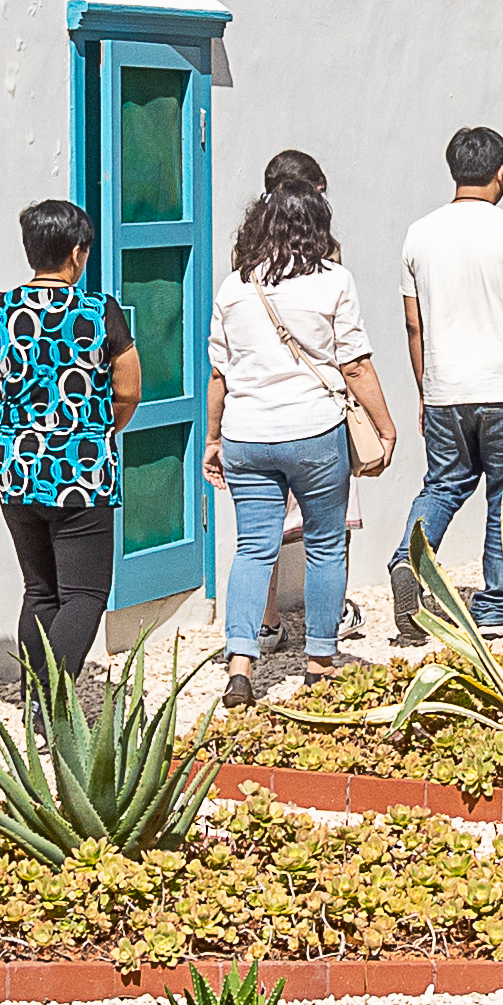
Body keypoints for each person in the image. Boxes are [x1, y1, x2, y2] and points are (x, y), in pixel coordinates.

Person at [203, 151, 393, 696]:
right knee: (326, 544)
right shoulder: (335, 281)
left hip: (247, 434)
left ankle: (241, 663)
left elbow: (220, 373)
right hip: (314, 432)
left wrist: (213, 438)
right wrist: (385, 427)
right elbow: (354, 364)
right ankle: (320, 660)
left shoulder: (234, 286)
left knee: (253, 548)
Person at [0, 201, 139, 694]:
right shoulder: (96, 310)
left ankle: (31, 701)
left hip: (16, 469)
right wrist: (101, 430)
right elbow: (128, 389)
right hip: (81, 475)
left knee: (40, 592)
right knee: (85, 595)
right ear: (79, 253)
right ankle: (48, 699)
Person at [394, 130, 503, 634]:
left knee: (443, 484)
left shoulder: (418, 234)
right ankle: (494, 605)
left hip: (445, 389)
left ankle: (409, 556)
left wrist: (425, 389)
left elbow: (414, 324)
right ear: (500, 171)